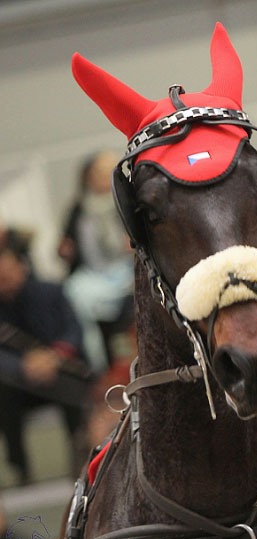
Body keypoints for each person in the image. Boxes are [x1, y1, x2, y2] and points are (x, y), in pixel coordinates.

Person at [0, 227, 92, 484]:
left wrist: (54, 356)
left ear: (21, 267)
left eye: (7, 275)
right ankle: (20, 468)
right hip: (21, 379)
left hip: (57, 368)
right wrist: (22, 366)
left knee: (73, 385)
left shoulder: (50, 291)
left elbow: (74, 329)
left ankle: (81, 457)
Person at [58, 149, 134, 373]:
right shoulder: (78, 209)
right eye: (100, 172)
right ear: (88, 177)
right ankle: (95, 363)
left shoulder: (126, 200)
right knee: (73, 295)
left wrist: (134, 242)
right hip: (93, 274)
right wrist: (65, 250)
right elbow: (68, 245)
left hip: (127, 270)